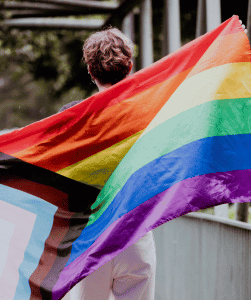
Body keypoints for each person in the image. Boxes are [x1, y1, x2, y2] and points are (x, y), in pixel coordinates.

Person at [61, 28, 156, 300]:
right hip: (135, 233)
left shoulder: (71, 117)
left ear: (90, 71)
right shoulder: (149, 114)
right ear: (130, 66)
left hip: (90, 238)